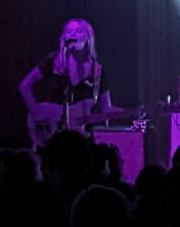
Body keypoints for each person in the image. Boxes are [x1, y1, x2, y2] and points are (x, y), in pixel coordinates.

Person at [19, 19, 112, 148]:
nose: (72, 35)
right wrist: (36, 112)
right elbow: (25, 85)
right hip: (50, 131)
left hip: (79, 138)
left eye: (78, 31)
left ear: (88, 37)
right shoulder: (53, 61)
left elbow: (106, 108)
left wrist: (131, 113)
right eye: (69, 31)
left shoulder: (96, 71)